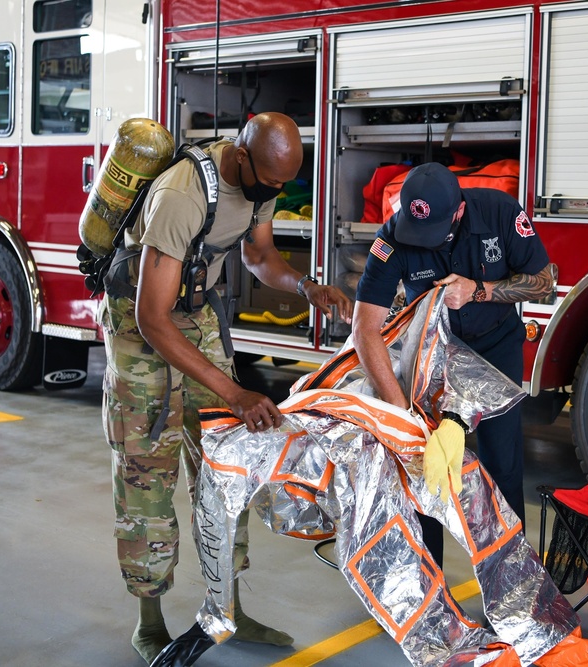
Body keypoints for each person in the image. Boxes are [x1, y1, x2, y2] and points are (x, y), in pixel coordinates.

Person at [98, 111, 353, 665]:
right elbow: (152, 318)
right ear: (242, 159)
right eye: (271, 181)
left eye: (284, 184)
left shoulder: (261, 185)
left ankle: (227, 610)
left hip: (195, 319)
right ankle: (149, 623)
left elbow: (258, 255)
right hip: (142, 331)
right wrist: (234, 391)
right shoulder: (182, 195)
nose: (278, 192)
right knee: (149, 471)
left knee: (226, 462)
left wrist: (306, 285)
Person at [352, 161, 556, 565]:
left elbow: (545, 284)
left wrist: (478, 290)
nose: (423, 242)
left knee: (501, 465)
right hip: (433, 356)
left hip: (495, 348)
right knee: (424, 468)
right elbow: (365, 328)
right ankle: (430, 587)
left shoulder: (499, 212)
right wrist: (399, 411)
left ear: (458, 211)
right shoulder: (394, 235)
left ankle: (513, 578)